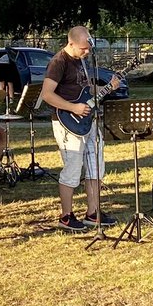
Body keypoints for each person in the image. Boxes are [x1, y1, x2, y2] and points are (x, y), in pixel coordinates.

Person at [40, 26, 122, 233]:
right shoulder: (58, 62)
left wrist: (108, 87)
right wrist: (73, 107)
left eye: (88, 49)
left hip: (88, 119)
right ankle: (66, 216)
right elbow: (47, 94)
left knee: (96, 164)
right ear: (71, 43)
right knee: (73, 169)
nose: (87, 52)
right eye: (83, 49)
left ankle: (93, 213)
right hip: (67, 121)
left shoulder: (82, 62)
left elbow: (86, 90)